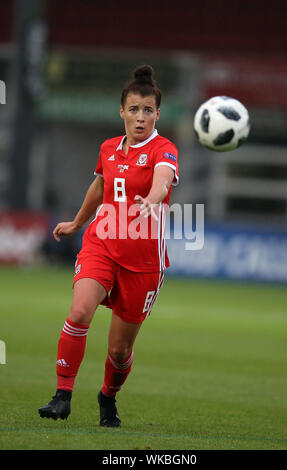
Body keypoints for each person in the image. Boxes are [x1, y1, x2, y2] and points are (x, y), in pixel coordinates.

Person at [38, 64, 179, 427]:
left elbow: (163, 181)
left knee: (120, 350)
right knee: (80, 311)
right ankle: (61, 396)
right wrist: (77, 222)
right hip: (101, 243)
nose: (140, 117)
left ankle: (107, 397)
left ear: (157, 114)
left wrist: (152, 198)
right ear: (122, 111)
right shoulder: (108, 149)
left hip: (143, 261)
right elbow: (99, 187)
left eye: (148, 110)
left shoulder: (165, 149)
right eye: (134, 109)